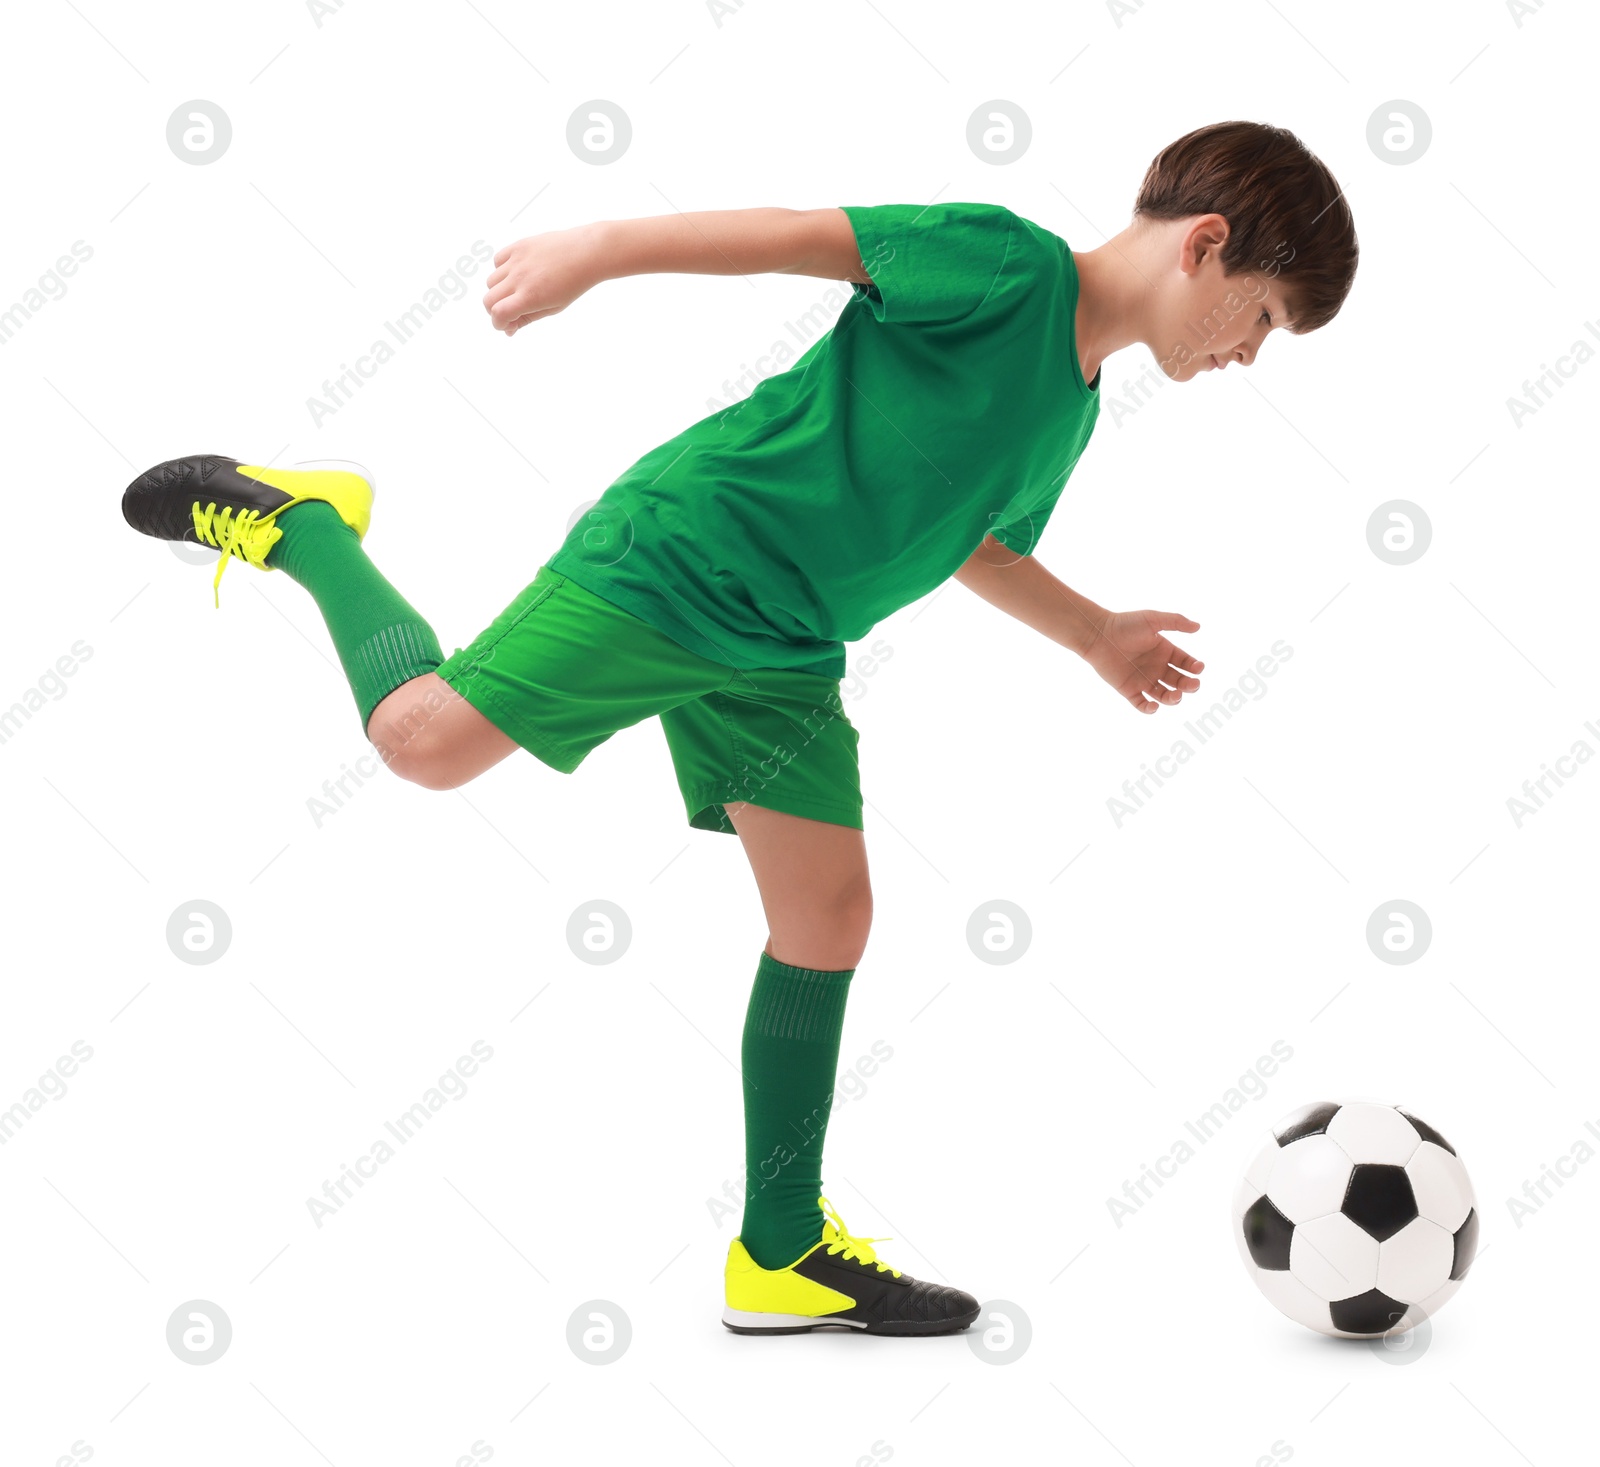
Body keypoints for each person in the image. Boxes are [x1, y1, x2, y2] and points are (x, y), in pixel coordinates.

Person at [120, 118, 1357, 1337]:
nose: (1249, 355)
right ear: (1205, 245)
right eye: (1262, 319)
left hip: (784, 646)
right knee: (421, 744)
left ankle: (781, 1253)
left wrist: (1093, 634)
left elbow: (972, 539)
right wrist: (594, 249)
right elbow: (795, 237)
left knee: (828, 917)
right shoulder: (1008, 265)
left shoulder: (1075, 408)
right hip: (687, 561)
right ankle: (308, 527)